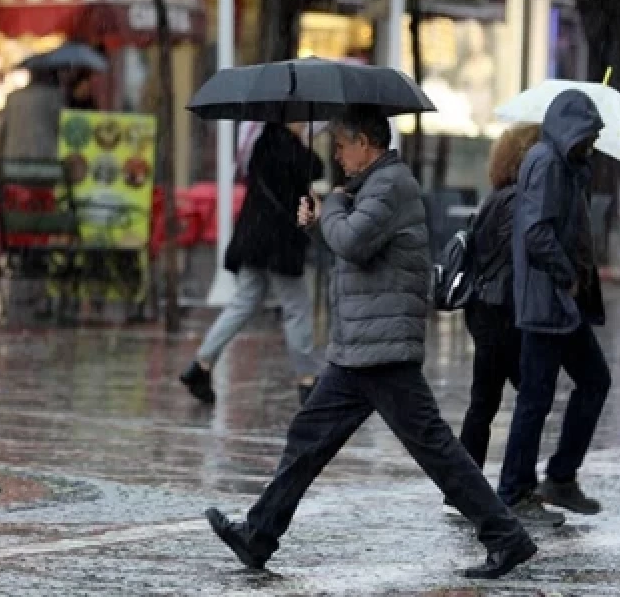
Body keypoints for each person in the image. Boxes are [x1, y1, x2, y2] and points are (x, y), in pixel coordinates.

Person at [205, 108, 537, 580]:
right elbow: (350, 245)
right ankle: (258, 536)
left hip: (383, 348)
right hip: (358, 346)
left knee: (436, 449)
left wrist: (331, 208)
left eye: (341, 146)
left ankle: (506, 536)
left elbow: (355, 241)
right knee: (308, 438)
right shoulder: (370, 188)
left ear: (365, 142)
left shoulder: (391, 186)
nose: (336, 156)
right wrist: (324, 216)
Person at [497, 89, 611, 518]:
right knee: (537, 396)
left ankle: (558, 477)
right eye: (588, 134)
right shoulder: (546, 163)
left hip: (562, 304)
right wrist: (567, 274)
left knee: (589, 382)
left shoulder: (564, 166)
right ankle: (516, 487)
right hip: (549, 302)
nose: (592, 143)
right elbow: (536, 233)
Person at [443, 123, 563, 527]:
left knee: (485, 401)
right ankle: (516, 488)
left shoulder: (500, 197)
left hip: (488, 310)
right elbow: (525, 252)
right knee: (532, 397)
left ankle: (463, 488)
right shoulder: (517, 202)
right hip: (505, 312)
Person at [180, 122, 325, 405]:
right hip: (277, 243)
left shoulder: (262, 142)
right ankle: (308, 379)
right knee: (297, 306)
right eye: (300, 120)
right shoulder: (288, 147)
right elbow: (315, 167)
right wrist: (303, 144)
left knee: (244, 301)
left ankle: (201, 363)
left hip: (253, 236)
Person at [0, 68, 64, 160]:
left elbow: (2, 128)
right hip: (44, 158)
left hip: (13, 158)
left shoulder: (13, 97)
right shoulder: (55, 96)